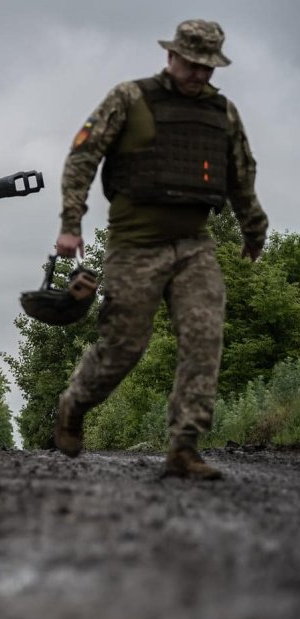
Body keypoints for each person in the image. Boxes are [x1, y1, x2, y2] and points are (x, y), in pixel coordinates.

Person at [53, 20, 268, 480]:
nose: (198, 75)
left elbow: (241, 175)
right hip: (135, 244)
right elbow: (83, 157)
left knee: (204, 337)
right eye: (191, 64)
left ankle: (184, 447)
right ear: (172, 56)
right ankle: (74, 405)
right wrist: (71, 223)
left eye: (207, 68)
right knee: (125, 346)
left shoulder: (222, 113)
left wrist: (255, 229)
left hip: (194, 245)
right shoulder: (130, 98)